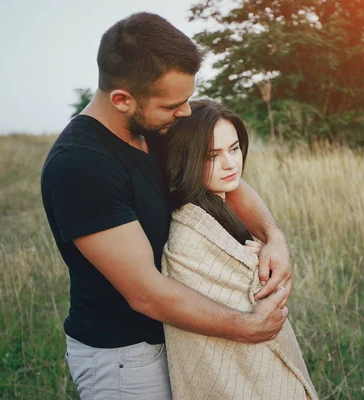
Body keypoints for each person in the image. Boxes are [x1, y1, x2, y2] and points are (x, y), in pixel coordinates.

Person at [40, 12, 292, 400]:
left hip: (177, 338)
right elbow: (145, 292)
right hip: (126, 359)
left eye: (188, 98)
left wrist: (273, 236)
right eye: (174, 103)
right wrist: (247, 327)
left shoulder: (152, 126)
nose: (186, 112)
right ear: (122, 100)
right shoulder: (81, 166)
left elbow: (230, 182)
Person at [161, 99, 318, 400]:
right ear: (187, 159)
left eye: (234, 149)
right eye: (212, 155)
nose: (230, 163)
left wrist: (274, 240)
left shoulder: (224, 207)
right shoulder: (190, 233)